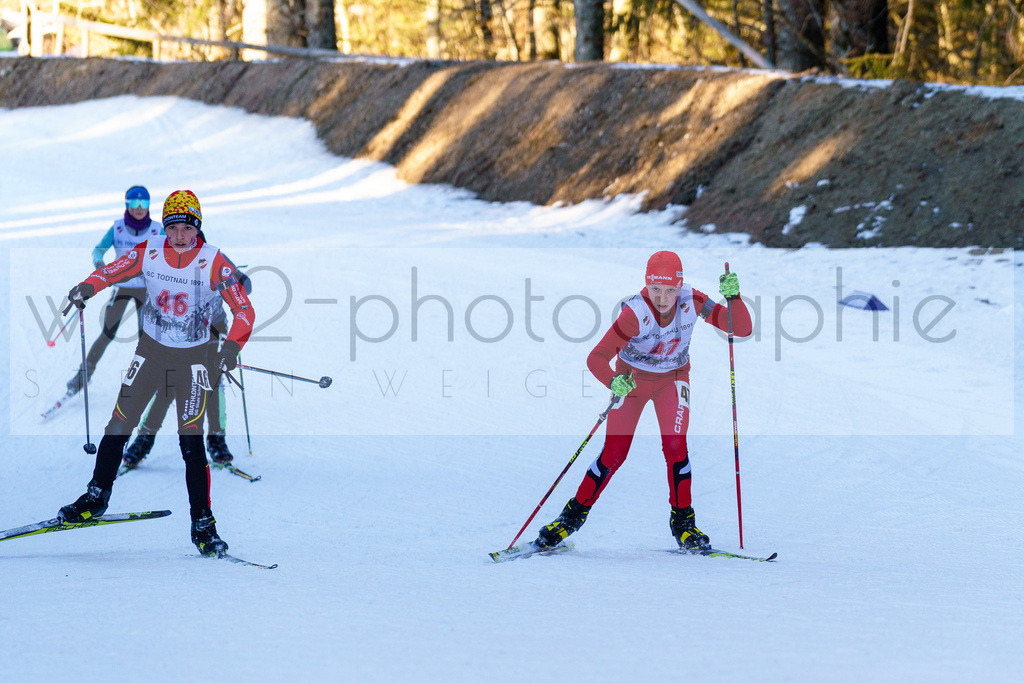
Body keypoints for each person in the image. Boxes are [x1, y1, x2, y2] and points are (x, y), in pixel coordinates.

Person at [57, 190, 255, 556]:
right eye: (173, 227)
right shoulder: (149, 250)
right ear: (165, 227)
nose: (180, 235)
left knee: (191, 443)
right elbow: (111, 271)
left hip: (194, 360)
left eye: (187, 228)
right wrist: (87, 287)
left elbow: (245, 311)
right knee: (118, 423)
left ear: (197, 227)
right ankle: (96, 496)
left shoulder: (213, 260)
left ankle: (203, 524)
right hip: (149, 352)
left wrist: (229, 349)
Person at [533, 251, 752, 553]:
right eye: (656, 289)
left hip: (673, 379)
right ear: (646, 284)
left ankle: (684, 524)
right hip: (632, 382)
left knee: (676, 446)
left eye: (670, 290)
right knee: (614, 454)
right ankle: (570, 519)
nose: (663, 298)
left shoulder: (692, 300)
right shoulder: (635, 313)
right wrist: (613, 381)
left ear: (680, 285)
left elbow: (739, 328)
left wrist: (735, 297)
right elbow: (596, 357)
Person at [123, 245, 252, 467]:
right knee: (167, 386)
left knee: (211, 384)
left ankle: (216, 439)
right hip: (177, 335)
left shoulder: (214, 259)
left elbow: (245, 285)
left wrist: (233, 285)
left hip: (211, 331)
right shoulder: (167, 261)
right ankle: (145, 438)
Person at [65, 186, 163, 396]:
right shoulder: (117, 228)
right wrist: (99, 263)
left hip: (146, 290)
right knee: (107, 333)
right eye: (134, 203)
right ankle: (82, 377)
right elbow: (98, 249)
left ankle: (152, 379)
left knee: (146, 337)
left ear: (149, 205)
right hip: (121, 287)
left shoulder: (157, 229)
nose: (139, 208)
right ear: (127, 204)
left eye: (143, 203)